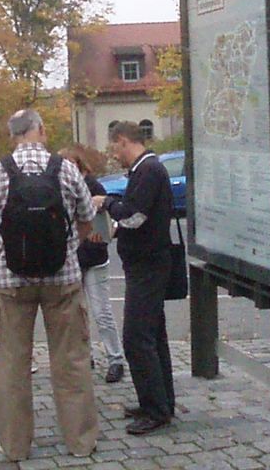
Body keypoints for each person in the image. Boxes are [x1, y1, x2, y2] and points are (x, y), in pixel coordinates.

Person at [0, 109, 98, 461]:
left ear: (12, 134)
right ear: (41, 130)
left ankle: (15, 446)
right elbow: (88, 220)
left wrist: (5, 251)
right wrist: (67, 248)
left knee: (12, 365)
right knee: (72, 360)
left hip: (12, 282)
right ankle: (80, 442)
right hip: (63, 281)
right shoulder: (66, 169)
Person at [92, 121, 175, 436]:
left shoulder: (148, 171)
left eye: (114, 147)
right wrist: (115, 226)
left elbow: (134, 215)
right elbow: (139, 216)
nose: (114, 155)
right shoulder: (146, 169)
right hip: (147, 263)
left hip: (148, 266)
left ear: (124, 141)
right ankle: (158, 401)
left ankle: (156, 409)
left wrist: (108, 204)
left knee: (137, 338)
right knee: (154, 336)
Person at [58, 146, 125, 384]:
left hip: (94, 257)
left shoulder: (93, 186)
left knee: (102, 311)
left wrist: (99, 234)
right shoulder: (60, 188)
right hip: (73, 258)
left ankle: (115, 358)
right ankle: (85, 357)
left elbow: (103, 221)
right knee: (77, 313)